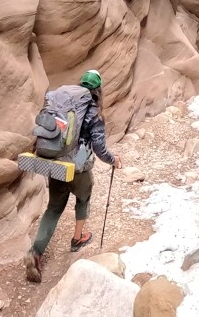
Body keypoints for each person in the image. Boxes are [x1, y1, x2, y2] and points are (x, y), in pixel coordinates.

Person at [24, 69, 124, 282]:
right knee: (83, 198)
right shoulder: (95, 114)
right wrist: (113, 160)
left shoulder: (65, 107)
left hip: (58, 164)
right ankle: (78, 239)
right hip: (79, 168)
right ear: (98, 90)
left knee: (53, 208)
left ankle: (35, 252)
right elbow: (99, 148)